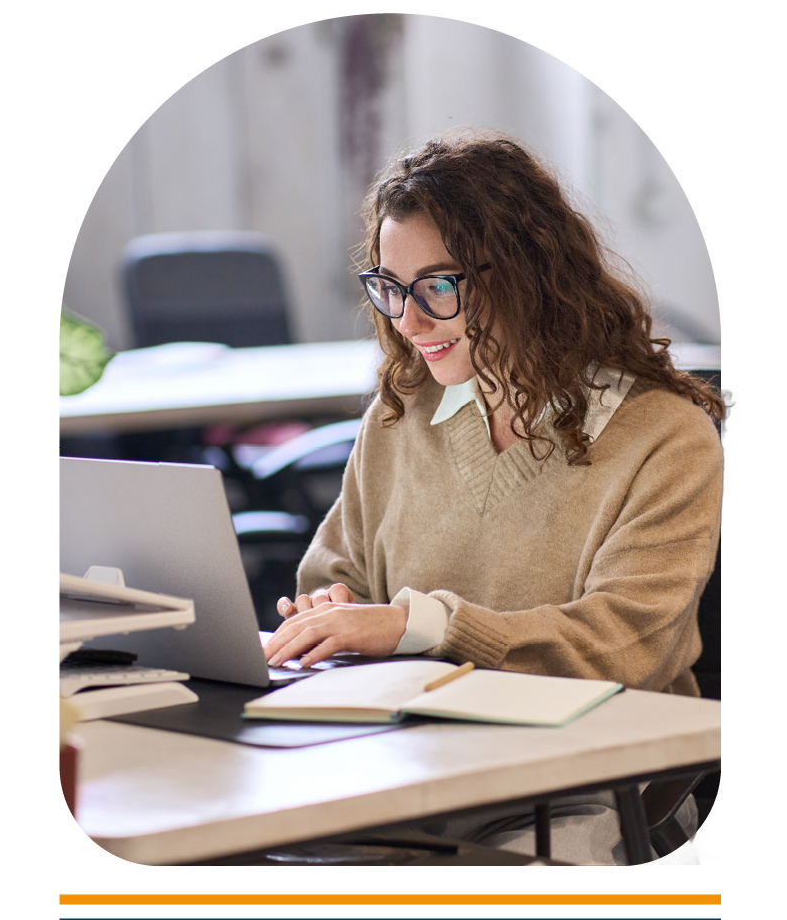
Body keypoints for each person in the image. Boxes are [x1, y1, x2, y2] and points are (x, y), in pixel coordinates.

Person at [263, 132, 725, 864]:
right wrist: (334, 611)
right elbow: (332, 575)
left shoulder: (663, 436)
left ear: (526, 274)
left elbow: (622, 646)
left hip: (583, 780)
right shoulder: (401, 411)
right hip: (406, 758)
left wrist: (419, 625)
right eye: (390, 287)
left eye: (437, 288)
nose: (407, 323)